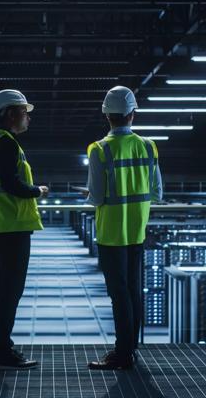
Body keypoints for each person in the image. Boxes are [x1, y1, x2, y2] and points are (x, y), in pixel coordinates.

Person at [85, 86, 163, 370]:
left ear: (107, 115)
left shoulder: (99, 149)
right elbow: (157, 192)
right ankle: (130, 350)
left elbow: (96, 196)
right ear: (133, 114)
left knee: (119, 294)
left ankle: (122, 353)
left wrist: (91, 195)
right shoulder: (148, 146)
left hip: (111, 233)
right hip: (137, 230)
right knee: (133, 290)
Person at [0, 89, 49, 370]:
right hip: (10, 226)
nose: (27, 117)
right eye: (23, 111)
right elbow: (11, 184)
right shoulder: (5, 142)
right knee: (9, 291)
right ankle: (3, 351)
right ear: (8, 113)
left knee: (1, 290)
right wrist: (37, 191)